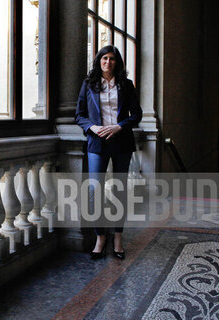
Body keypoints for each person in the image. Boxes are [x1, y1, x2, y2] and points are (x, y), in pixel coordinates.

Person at [75, 45, 142, 260]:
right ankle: (100, 238)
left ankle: (118, 239)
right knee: (95, 191)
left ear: (117, 62)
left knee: (120, 190)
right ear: (99, 61)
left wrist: (119, 126)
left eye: (112, 59)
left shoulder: (126, 85)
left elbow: (137, 114)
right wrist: (92, 128)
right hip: (97, 142)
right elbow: (79, 115)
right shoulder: (89, 85)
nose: (108, 62)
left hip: (121, 141)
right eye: (104, 58)